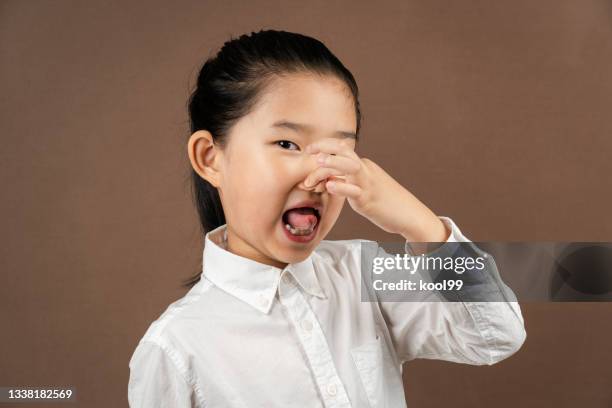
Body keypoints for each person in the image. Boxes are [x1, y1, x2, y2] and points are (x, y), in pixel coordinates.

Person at [127, 29, 526, 408]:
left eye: (338, 151)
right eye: (287, 144)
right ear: (210, 159)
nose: (317, 175)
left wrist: (419, 223)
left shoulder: (365, 274)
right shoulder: (176, 349)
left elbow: (494, 335)